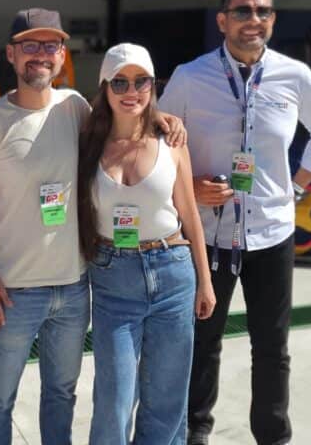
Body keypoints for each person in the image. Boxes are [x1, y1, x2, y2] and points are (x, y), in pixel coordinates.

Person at [0, 8, 185, 445]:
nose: (41, 56)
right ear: (10, 54)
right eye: (30, 45)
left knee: (61, 394)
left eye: (50, 46)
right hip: (13, 291)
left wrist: (163, 119)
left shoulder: (76, 106)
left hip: (73, 288)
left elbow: (125, 121)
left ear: (63, 54)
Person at [160, 0, 311, 445]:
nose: (253, 20)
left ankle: (273, 436)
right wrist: (190, 189)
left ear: (273, 19)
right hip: (209, 236)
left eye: (262, 11)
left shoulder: (294, 75)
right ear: (222, 21)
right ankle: (194, 433)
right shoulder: (189, 77)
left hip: (272, 234)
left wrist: (296, 190)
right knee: (202, 345)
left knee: (272, 349)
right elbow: (157, 145)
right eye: (242, 11)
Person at [77, 43, 216, 445]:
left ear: (154, 85)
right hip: (112, 278)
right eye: (119, 81)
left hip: (172, 271)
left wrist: (205, 282)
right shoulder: (87, 139)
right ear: (104, 87)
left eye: (142, 81)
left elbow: (190, 215)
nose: (131, 90)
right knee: (115, 397)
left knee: (166, 398)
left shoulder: (171, 139)